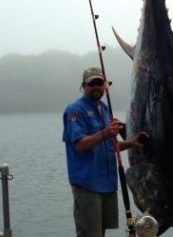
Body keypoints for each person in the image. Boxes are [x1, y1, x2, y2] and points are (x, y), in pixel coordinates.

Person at [62, 67, 148, 237]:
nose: (96, 87)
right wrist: (104, 133)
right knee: (89, 233)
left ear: (105, 86)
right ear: (83, 86)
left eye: (99, 83)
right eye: (91, 83)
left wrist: (131, 143)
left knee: (101, 231)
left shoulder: (104, 109)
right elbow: (79, 145)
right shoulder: (75, 110)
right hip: (87, 184)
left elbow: (109, 145)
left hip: (108, 183)